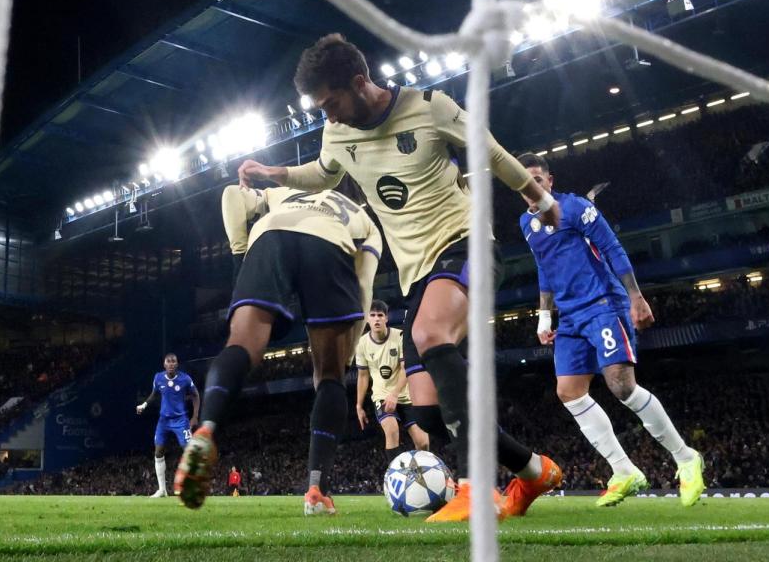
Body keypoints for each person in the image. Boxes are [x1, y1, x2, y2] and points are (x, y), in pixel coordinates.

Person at [236, 33, 564, 522]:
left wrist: (541, 198)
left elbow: (489, 150)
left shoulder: (429, 108)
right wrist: (275, 173)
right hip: (417, 274)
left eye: (331, 103)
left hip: (465, 244)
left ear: (359, 81)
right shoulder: (337, 135)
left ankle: (477, 489)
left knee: (431, 334)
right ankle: (535, 469)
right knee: (427, 412)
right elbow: (324, 173)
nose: (328, 116)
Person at [174, 184, 382, 516]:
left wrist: (240, 258)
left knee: (241, 343)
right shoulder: (364, 220)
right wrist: (350, 344)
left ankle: (207, 428)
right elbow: (364, 284)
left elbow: (230, 194)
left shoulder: (284, 191)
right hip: (331, 243)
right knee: (329, 376)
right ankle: (317, 489)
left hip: (270, 235)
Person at [516, 153, 705, 507]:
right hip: (570, 317)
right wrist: (544, 317)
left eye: (538, 180)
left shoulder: (575, 209)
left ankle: (685, 458)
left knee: (621, 385)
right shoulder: (527, 224)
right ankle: (623, 470)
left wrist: (635, 296)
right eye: (525, 182)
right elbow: (544, 268)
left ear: (550, 181)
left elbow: (611, 247)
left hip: (603, 304)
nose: (532, 187)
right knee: (569, 392)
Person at [355, 300, 429, 462]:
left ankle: (423, 478)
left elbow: (405, 368)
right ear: (367, 319)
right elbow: (363, 375)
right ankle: (393, 478)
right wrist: (359, 405)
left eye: (380, 315)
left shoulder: (400, 337)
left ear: (386, 318)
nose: (376, 319)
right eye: (372, 315)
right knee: (392, 430)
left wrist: (395, 394)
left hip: (406, 396)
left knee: (423, 443)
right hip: (381, 396)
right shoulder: (362, 344)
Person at [136, 352, 199, 498]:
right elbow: (154, 393)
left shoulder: (185, 379)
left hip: (181, 420)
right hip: (163, 421)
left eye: (173, 361)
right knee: (158, 452)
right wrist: (144, 405)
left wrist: (194, 417)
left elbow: (196, 395)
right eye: (168, 361)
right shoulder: (158, 377)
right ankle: (162, 490)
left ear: (177, 364)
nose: (171, 364)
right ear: (164, 364)